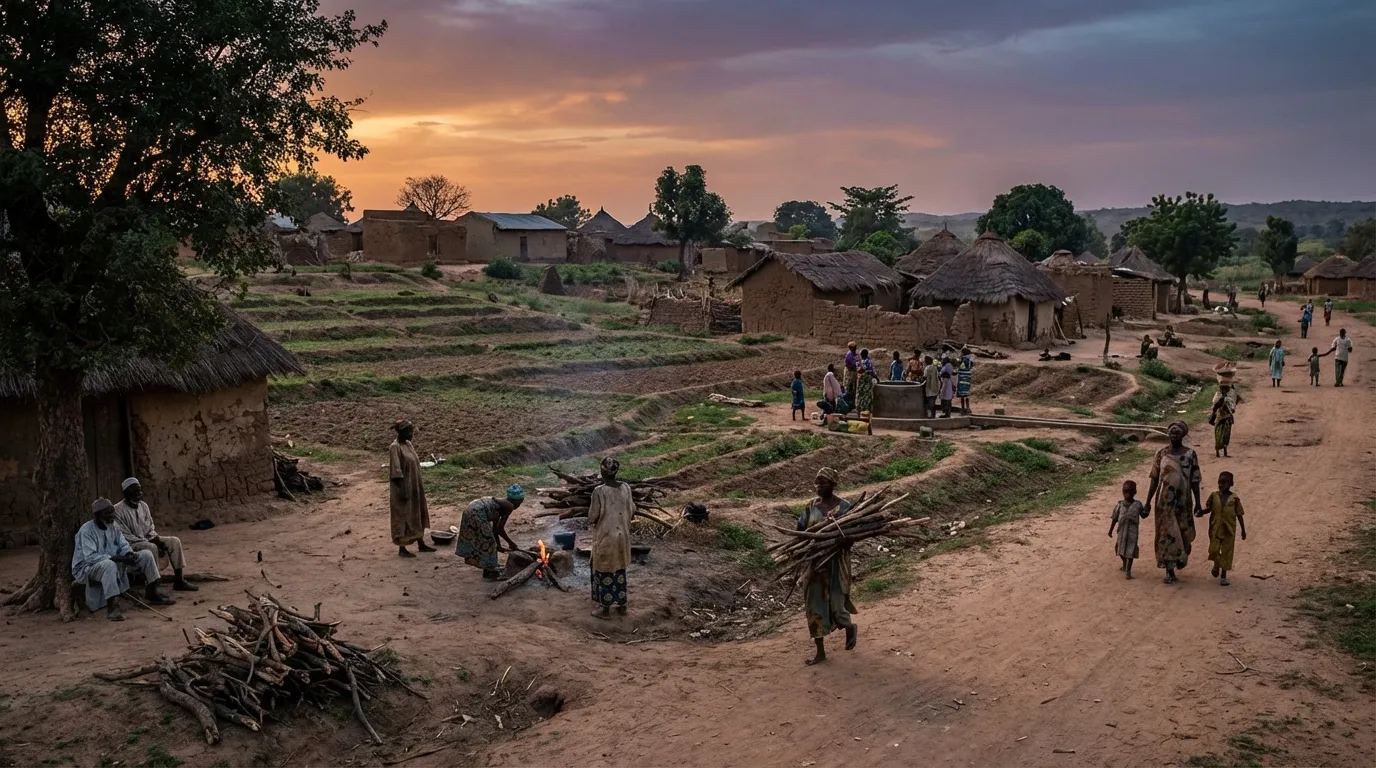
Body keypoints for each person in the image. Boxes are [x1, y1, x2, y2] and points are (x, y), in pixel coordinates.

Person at [73, 498, 171, 620]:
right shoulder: (86, 531)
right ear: (98, 516)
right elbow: (90, 557)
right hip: (88, 568)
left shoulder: (113, 525)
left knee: (146, 554)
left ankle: (152, 593)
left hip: (115, 561)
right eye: (108, 514)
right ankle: (113, 607)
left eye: (112, 512)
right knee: (109, 565)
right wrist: (116, 558)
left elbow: (123, 544)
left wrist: (129, 554)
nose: (112, 516)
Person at [797, 468, 857, 665]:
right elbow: (800, 532)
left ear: (833, 484)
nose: (818, 487)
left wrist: (840, 538)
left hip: (837, 565)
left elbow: (852, 538)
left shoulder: (845, 508)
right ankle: (820, 652)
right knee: (814, 607)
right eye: (816, 483)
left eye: (822, 483)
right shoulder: (810, 507)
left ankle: (848, 627)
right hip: (815, 565)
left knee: (837, 605)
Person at [112, 478, 197, 592]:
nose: (139, 494)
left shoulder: (143, 506)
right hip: (130, 545)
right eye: (135, 492)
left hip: (147, 539)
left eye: (140, 491)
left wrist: (157, 540)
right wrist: (151, 543)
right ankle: (153, 587)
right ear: (126, 493)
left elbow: (150, 527)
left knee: (174, 541)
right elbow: (124, 536)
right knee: (151, 547)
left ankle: (179, 581)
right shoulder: (117, 510)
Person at [1145, 421, 1202, 585]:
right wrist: (1148, 502)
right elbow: (1154, 480)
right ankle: (1169, 569)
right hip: (1164, 503)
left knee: (1182, 533)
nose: (1173, 434)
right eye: (1171, 431)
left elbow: (1195, 480)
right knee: (1166, 535)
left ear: (1183, 435)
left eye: (1177, 432)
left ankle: (1177, 562)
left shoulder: (1191, 455)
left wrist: (1198, 503)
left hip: (1183, 502)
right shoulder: (1161, 454)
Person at [589, 457, 635, 618]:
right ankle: (622, 606)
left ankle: (605, 609)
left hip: (606, 536)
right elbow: (632, 509)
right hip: (622, 535)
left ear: (602, 472)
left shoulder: (599, 491)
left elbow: (593, 516)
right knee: (619, 570)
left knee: (604, 570)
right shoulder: (626, 488)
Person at [456, 485, 525, 580]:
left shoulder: (502, 504)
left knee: (490, 540)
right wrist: (511, 543)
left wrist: (499, 545)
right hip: (476, 512)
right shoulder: (509, 506)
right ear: (514, 500)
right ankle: (489, 573)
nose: (519, 505)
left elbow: (495, 529)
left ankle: (490, 567)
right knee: (489, 542)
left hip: (472, 508)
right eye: (520, 502)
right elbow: (500, 528)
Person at [389, 419, 433, 558]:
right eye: (409, 431)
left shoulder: (408, 444)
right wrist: (404, 490)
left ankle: (421, 543)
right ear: (402, 432)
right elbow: (396, 472)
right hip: (403, 488)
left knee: (417, 513)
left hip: (414, 486)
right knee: (402, 516)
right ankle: (402, 548)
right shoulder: (395, 447)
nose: (411, 434)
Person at [1199, 471, 1246, 586]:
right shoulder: (1214, 496)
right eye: (1219, 482)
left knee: (1227, 552)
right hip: (1215, 528)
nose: (1221, 485)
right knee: (1213, 550)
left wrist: (1243, 530)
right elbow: (1208, 508)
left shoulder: (1234, 499)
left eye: (1224, 482)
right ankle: (1216, 563)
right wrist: (1201, 512)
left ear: (1230, 483)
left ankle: (1223, 576)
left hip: (1229, 529)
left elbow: (1239, 515)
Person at [1109, 480, 1147, 579]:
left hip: (1132, 533)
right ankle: (1124, 563)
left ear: (1135, 492)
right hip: (1121, 532)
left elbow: (1143, 515)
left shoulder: (1138, 505)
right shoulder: (1119, 505)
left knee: (1130, 551)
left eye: (1130, 492)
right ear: (1122, 491)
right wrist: (1110, 530)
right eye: (1125, 491)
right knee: (1118, 549)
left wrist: (1147, 509)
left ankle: (1128, 572)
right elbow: (1114, 518)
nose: (1127, 494)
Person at [1210, 370, 1240, 458]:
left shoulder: (1229, 397)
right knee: (1219, 435)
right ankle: (1218, 452)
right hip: (1219, 418)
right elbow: (1214, 407)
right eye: (1223, 389)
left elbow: (1233, 408)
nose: (1224, 390)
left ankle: (1225, 452)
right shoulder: (1218, 396)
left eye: (1225, 389)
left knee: (1226, 435)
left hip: (1227, 418)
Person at [855, 348, 877, 415]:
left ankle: (859, 410)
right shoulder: (868, 362)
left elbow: (858, 370)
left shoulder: (859, 362)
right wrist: (877, 379)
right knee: (867, 396)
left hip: (860, 381)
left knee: (860, 395)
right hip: (867, 381)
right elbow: (871, 372)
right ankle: (866, 411)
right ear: (867, 354)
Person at [957, 348, 974, 414]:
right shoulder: (970, 360)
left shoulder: (964, 360)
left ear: (963, 353)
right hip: (967, 379)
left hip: (962, 379)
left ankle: (963, 409)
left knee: (962, 395)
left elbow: (961, 367)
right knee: (966, 394)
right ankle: (967, 408)